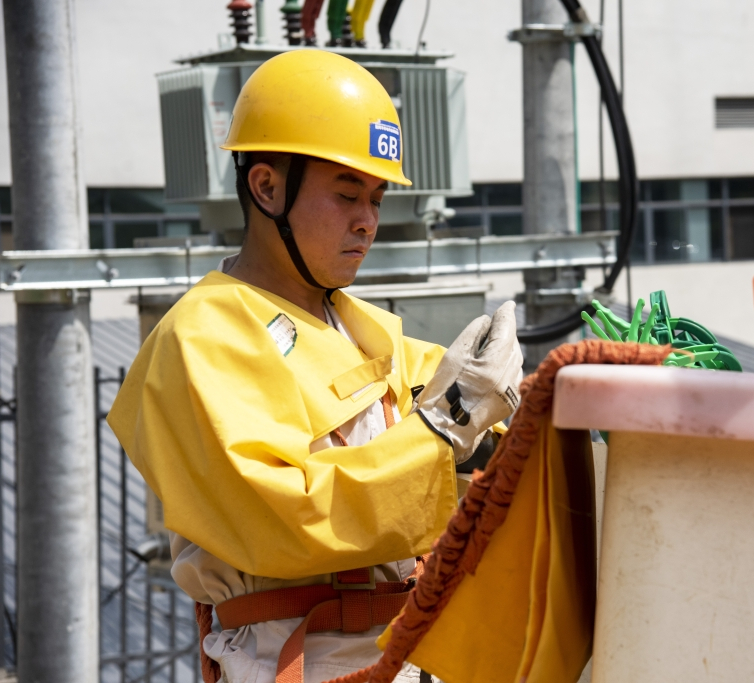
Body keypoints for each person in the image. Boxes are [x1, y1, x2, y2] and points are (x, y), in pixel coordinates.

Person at [108, 49, 523, 683]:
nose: (368, 222)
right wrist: (447, 424)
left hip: (401, 646)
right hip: (298, 658)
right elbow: (287, 519)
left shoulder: (364, 329)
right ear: (267, 187)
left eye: (378, 199)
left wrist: (542, 411)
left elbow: (468, 457)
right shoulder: (202, 337)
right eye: (347, 193)